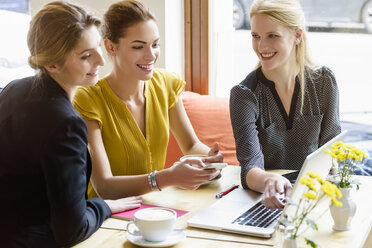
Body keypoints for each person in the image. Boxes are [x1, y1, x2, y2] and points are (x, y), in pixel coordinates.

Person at [0, 1, 142, 247]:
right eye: (86, 55)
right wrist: (103, 205)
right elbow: (72, 231)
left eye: (98, 45)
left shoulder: (15, 89)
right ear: (52, 64)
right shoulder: (66, 124)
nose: (101, 60)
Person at [73, 0, 222, 200]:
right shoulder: (87, 99)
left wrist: (211, 161)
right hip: (108, 217)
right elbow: (105, 187)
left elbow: (191, 146)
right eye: (138, 47)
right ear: (110, 47)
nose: (151, 55)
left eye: (155, 44)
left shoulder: (166, 84)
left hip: (155, 209)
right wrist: (168, 178)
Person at [229, 0, 341, 209]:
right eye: (255, 36)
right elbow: (250, 168)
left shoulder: (325, 82)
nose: (261, 46)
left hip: (315, 196)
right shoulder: (244, 95)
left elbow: (333, 151)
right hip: (271, 200)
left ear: (297, 35)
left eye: (272, 35)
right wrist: (269, 181)